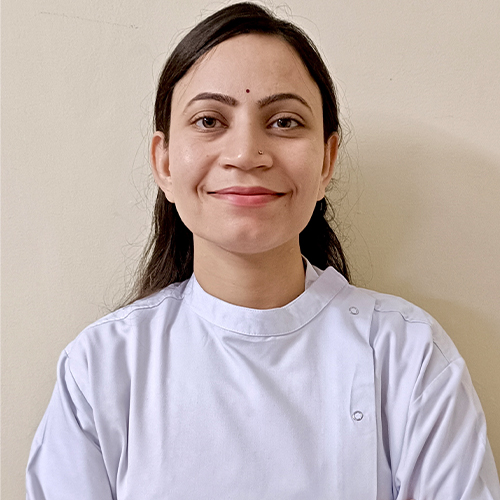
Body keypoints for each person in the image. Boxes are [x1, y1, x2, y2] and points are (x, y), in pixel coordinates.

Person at [26, 3, 500, 499]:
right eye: (209, 120)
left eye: (285, 121)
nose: (245, 155)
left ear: (326, 161)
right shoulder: (101, 369)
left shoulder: (410, 357)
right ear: (164, 163)